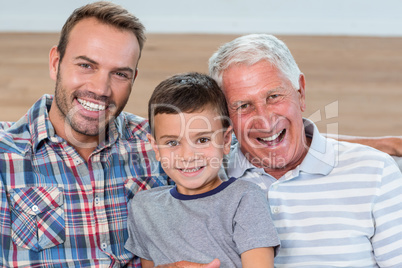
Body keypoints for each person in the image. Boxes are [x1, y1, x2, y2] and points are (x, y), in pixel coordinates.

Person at [207, 34, 402, 267]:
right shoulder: (204, 177)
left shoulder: (376, 170)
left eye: (274, 96)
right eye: (244, 106)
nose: (265, 121)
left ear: (300, 92)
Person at [0, 2, 168, 267]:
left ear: (133, 79)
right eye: (87, 66)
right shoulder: (5, 155)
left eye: (119, 74)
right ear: (56, 63)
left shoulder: (160, 143)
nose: (101, 88)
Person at [124, 72, 280, 268]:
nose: (188, 156)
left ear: (225, 141)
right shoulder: (144, 207)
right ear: (155, 148)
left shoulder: (244, 198)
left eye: (203, 140)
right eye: (172, 142)